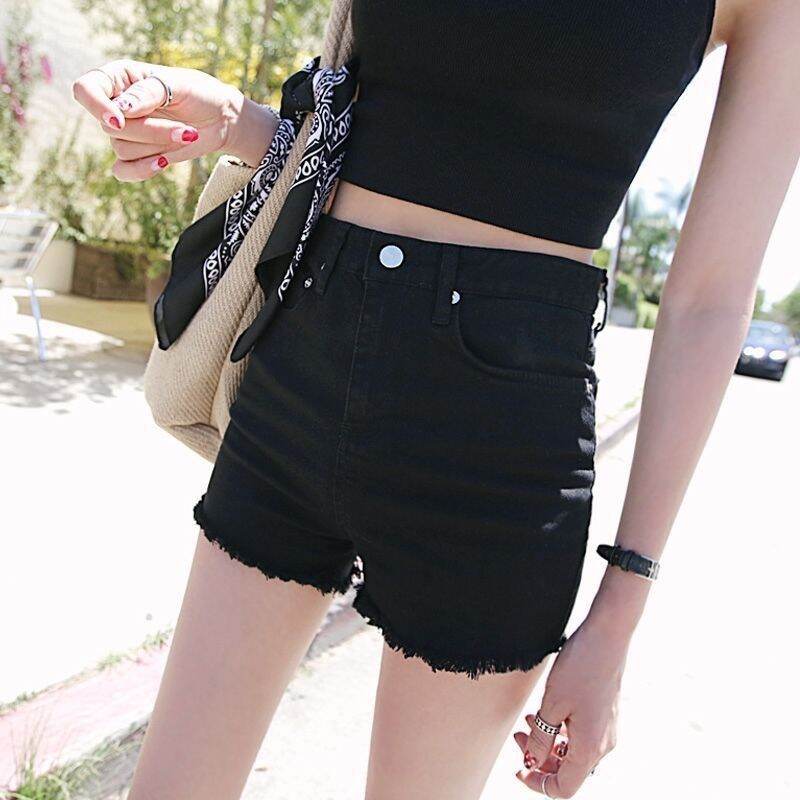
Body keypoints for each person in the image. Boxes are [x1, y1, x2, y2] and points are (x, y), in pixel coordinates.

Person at [71, 1, 799, 797]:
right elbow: (372, 125)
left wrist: (619, 613)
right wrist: (233, 121)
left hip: (495, 447)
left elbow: (709, 302)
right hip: (301, 363)